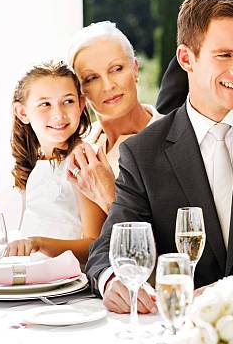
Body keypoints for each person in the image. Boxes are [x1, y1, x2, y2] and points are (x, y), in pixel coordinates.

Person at [85, 0, 233, 314]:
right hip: (188, 335)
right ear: (186, 58)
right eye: (224, 56)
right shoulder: (143, 153)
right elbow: (106, 250)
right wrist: (112, 280)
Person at [6, 61, 102, 263]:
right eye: (45, 104)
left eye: (68, 101)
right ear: (22, 113)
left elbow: (95, 244)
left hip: (69, 282)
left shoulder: (82, 160)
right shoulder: (37, 161)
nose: (58, 114)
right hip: (36, 275)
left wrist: (38, 243)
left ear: (81, 104)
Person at [66, 21, 164, 215]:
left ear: (135, 69)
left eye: (116, 69)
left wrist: (109, 197)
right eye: (91, 78)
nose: (108, 86)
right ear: (80, 91)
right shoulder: (78, 147)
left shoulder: (176, 141)